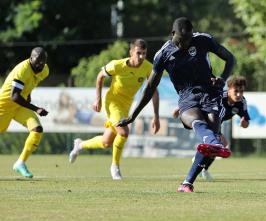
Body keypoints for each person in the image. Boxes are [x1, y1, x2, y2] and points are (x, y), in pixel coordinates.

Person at [117, 17, 236, 192]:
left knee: (210, 134)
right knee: (196, 122)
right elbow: (150, 87)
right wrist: (133, 116)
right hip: (187, 97)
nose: (185, 44)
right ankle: (213, 142)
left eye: (188, 39)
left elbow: (230, 58)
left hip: (210, 93)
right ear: (173, 34)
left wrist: (223, 78)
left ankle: (187, 183)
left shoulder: (203, 39)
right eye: (181, 40)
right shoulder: (163, 54)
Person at [68, 39, 160, 180]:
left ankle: (80, 145)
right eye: (138, 53)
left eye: (144, 54)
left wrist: (156, 115)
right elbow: (100, 77)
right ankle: (115, 167)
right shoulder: (117, 65)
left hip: (126, 106)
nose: (141, 57)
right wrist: (97, 99)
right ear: (131, 52)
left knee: (106, 143)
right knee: (123, 132)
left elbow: (154, 91)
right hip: (112, 103)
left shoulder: (148, 67)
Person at [172, 75, 250, 181]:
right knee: (219, 143)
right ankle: (201, 166)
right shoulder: (220, 96)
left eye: (241, 92)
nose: (239, 94)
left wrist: (244, 123)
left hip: (216, 123)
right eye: (236, 91)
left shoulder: (242, 102)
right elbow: (198, 99)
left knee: (219, 145)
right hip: (204, 118)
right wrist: (181, 108)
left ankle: (202, 167)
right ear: (229, 89)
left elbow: (246, 124)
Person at [0, 47, 49, 178]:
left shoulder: (44, 70)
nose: (40, 64)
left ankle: (20, 163)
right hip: (4, 106)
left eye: (43, 61)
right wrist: (36, 108)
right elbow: (14, 96)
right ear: (31, 58)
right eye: (37, 61)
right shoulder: (23, 70)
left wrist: (29, 96)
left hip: (20, 106)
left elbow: (30, 84)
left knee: (37, 129)